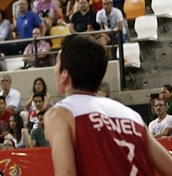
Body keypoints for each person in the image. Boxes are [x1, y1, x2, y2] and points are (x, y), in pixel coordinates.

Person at [45, 34, 172, 175]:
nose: (53, 70)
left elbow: (67, 173)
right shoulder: (132, 116)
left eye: (56, 63)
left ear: (64, 75)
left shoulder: (61, 114)